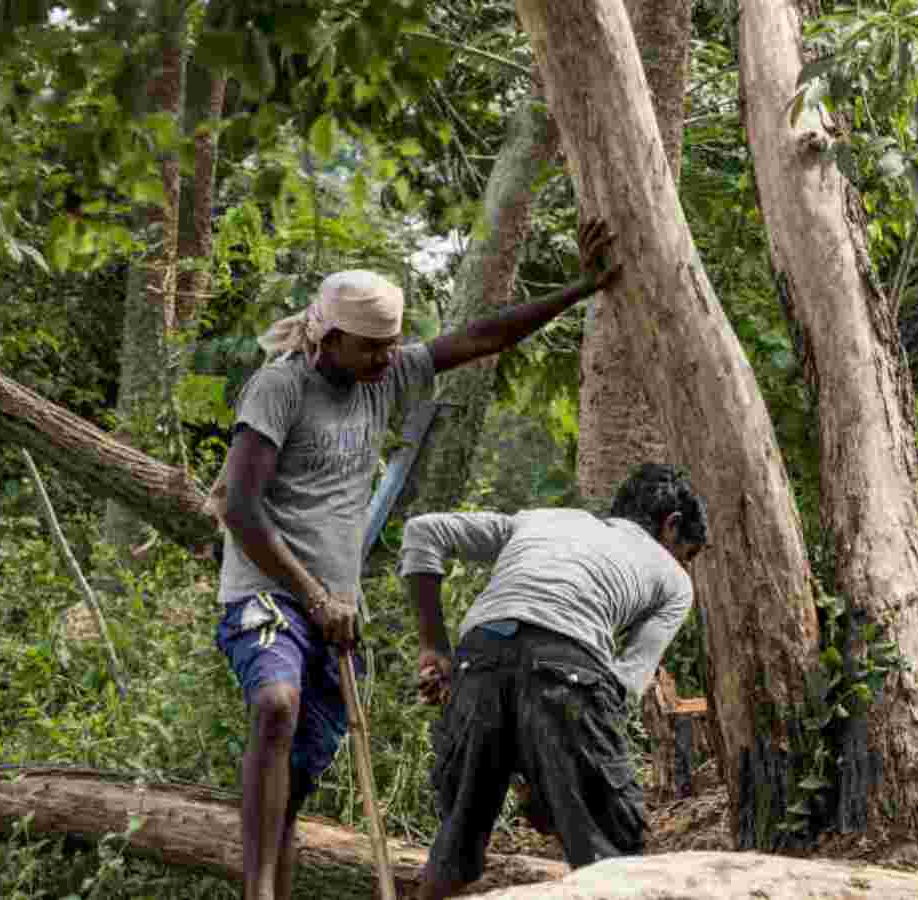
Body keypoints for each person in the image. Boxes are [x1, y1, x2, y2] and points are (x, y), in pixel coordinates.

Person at [213, 220, 621, 900]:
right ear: (330, 338)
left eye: (392, 346)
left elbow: (484, 336)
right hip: (270, 592)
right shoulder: (278, 389)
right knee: (276, 704)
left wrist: (579, 289)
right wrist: (313, 595)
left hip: (336, 605)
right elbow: (240, 510)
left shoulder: (383, 375)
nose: (387, 360)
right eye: (373, 348)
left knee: (299, 779)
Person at [399, 463, 709, 900]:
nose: (684, 565)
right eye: (688, 553)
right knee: (614, 860)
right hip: (572, 667)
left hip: (480, 657)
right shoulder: (674, 581)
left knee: (454, 851)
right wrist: (555, 775)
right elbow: (624, 683)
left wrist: (434, 647)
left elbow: (423, 531)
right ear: (672, 525)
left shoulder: (541, 518)